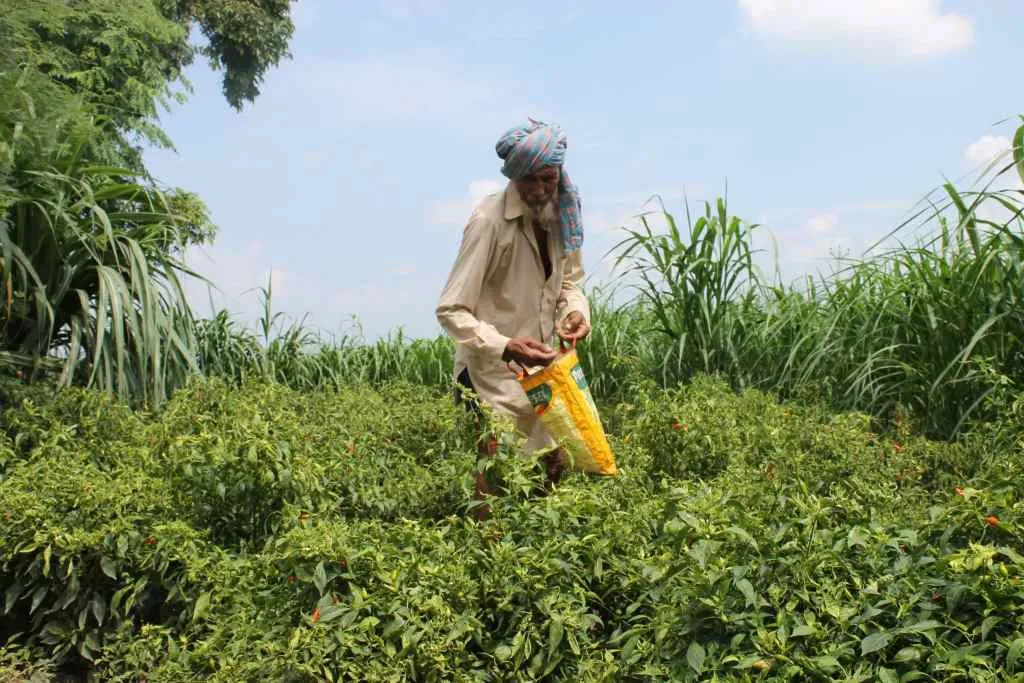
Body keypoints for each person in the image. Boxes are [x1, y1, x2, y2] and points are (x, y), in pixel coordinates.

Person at [435, 119, 591, 519]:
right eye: (530, 180)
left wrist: (575, 311)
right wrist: (506, 346)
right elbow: (451, 309)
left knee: (554, 465)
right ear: (514, 175)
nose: (540, 190)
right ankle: (483, 549)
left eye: (548, 179)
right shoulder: (489, 222)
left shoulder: (563, 214)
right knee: (493, 474)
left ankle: (536, 545)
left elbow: (570, 281)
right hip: (491, 374)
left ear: (559, 174)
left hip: (540, 368)